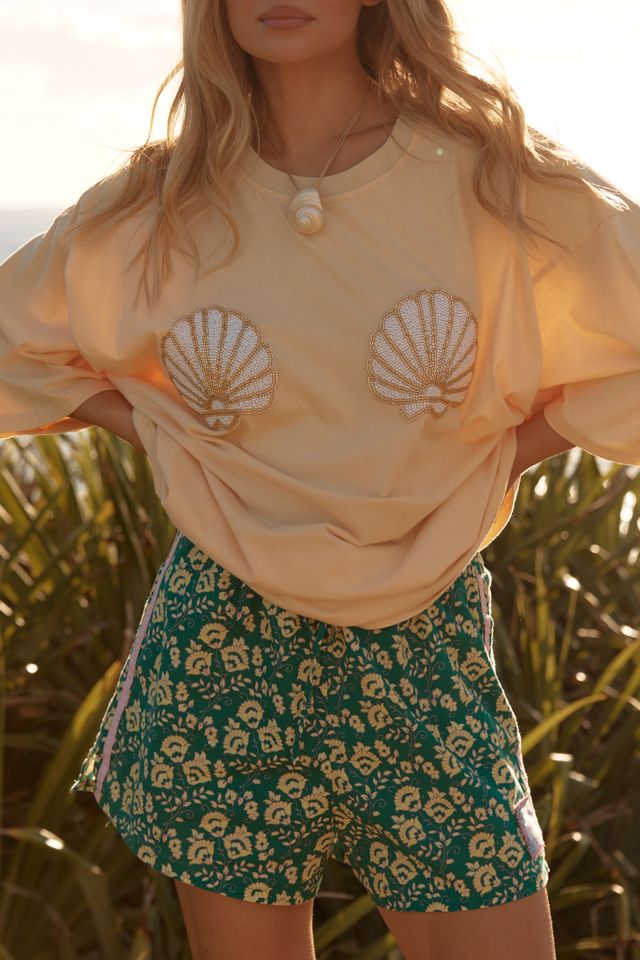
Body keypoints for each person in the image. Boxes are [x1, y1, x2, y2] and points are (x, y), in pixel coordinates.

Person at [1, 0, 639, 957]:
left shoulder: (487, 178)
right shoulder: (161, 200)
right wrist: (155, 427)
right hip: (222, 635)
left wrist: (510, 449)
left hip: (421, 641)